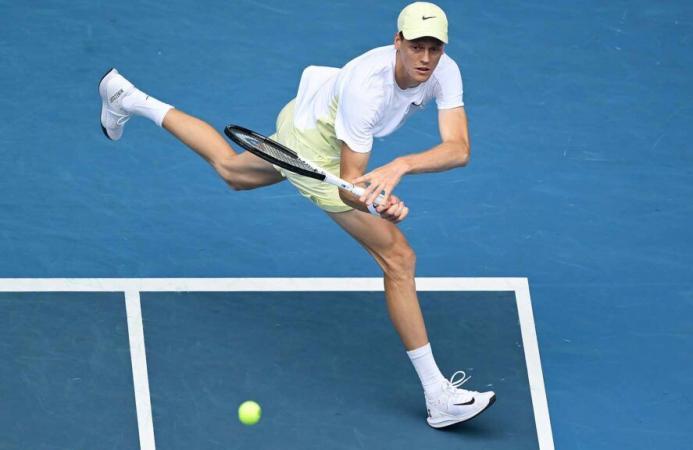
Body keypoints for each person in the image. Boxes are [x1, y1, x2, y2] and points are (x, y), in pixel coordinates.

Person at [98, 1, 495, 428]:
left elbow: (459, 148)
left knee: (235, 172)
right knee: (398, 257)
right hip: (314, 145)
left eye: (434, 48)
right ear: (396, 41)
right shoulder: (370, 91)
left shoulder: (444, 70)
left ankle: (128, 98)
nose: (426, 58)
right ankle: (438, 397)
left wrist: (399, 166)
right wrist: (380, 205)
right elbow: (350, 185)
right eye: (416, 46)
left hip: (318, 114)